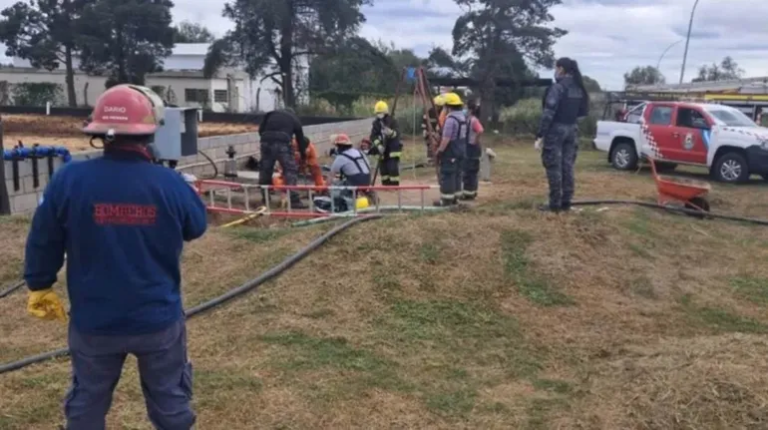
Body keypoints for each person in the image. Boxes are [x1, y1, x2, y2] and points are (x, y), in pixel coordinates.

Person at [24, 84, 207, 429]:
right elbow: (195, 227)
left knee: (87, 403)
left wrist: (39, 283)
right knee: (170, 401)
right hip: (157, 320)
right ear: (151, 128)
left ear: (99, 132)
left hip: (95, 321)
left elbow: (43, 238)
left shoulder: (69, 179)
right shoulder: (170, 184)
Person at [535, 57, 589, 213]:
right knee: (567, 166)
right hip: (572, 129)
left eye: (556, 68)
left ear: (561, 69)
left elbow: (548, 113)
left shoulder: (558, 88)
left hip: (556, 130)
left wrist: (540, 135)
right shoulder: (579, 88)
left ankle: (554, 204)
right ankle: (566, 201)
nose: (555, 71)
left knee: (554, 166)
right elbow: (582, 113)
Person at [258, 107, 307, 208]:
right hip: (282, 143)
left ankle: (265, 198)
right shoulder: (295, 119)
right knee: (290, 170)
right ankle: (294, 201)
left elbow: (260, 130)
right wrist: (303, 155)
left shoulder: (270, 113)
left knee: (265, 169)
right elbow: (301, 139)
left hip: (266, 140)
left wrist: (267, 139)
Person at [314, 134, 371, 213]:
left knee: (335, 187)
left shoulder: (341, 157)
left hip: (355, 183)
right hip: (367, 180)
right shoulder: (359, 152)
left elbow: (330, 177)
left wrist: (324, 190)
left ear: (339, 146)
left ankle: (344, 204)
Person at [434, 92, 469, 206]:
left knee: (448, 174)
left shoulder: (451, 119)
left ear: (448, 106)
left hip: (451, 151)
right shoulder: (463, 117)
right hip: (461, 150)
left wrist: (439, 150)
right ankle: (456, 197)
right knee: (457, 174)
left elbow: (446, 138)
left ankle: (446, 199)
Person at [370, 100, 402, 186]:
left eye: (381, 112)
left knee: (392, 169)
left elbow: (397, 133)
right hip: (382, 150)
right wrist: (379, 146)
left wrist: (391, 133)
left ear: (385, 112)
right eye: (377, 113)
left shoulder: (392, 121)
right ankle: (385, 185)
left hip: (392, 149)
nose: (379, 114)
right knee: (383, 170)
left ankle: (394, 186)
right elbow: (373, 136)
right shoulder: (376, 123)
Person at [461, 100, 485, 200]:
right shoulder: (468, 119)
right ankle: (469, 192)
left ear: (470, 110)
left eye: (466, 108)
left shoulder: (473, 120)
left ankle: (470, 194)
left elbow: (480, 130)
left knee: (470, 172)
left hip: (472, 148)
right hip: (469, 147)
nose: (465, 110)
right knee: (468, 172)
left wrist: (475, 140)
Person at [422, 95, 444, 163]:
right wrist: (426, 131)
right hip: (430, 131)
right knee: (430, 144)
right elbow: (424, 122)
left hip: (439, 132)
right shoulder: (429, 112)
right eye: (436, 105)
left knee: (439, 145)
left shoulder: (443, 112)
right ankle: (430, 159)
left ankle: (438, 159)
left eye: (439, 106)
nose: (437, 107)